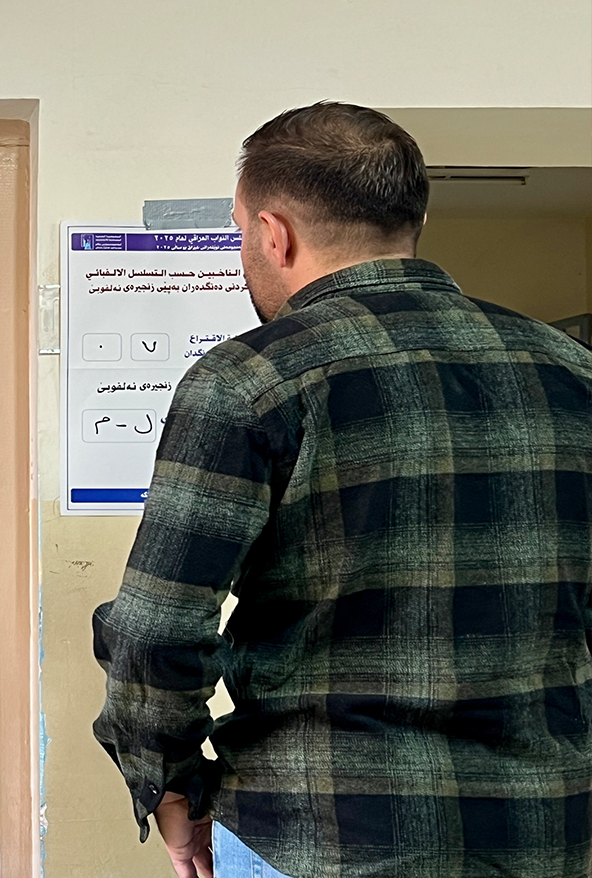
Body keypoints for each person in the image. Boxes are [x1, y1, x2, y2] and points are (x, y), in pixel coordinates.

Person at [92, 102, 592, 877]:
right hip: (547, 835)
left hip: (316, 836)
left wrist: (171, 786)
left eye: (239, 231)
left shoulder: (248, 380)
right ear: (415, 219)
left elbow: (155, 631)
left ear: (273, 233)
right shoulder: (571, 371)